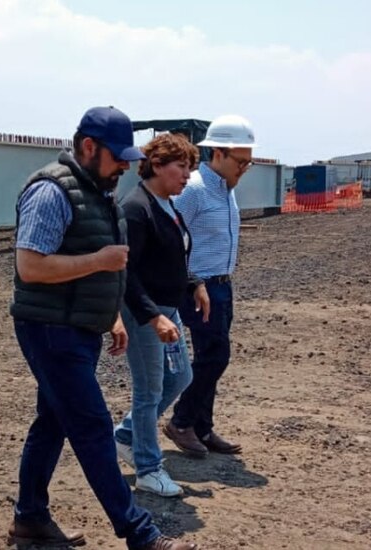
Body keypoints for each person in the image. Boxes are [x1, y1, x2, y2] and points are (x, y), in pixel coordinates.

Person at [8, 106, 197, 550]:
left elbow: (95, 264)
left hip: (76, 328)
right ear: (89, 147)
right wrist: (100, 262)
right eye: (119, 158)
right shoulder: (51, 190)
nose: (127, 167)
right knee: (93, 426)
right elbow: (30, 265)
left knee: (52, 424)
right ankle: (142, 536)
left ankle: (30, 519)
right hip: (50, 328)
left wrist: (111, 313)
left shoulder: (97, 190)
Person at [113, 133, 210, 497]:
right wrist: (152, 316)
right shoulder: (136, 208)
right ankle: (148, 470)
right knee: (149, 390)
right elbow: (127, 272)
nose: (187, 175)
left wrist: (194, 283)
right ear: (156, 165)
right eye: (180, 166)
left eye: (190, 167)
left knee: (180, 378)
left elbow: (172, 259)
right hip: (144, 314)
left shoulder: (168, 204)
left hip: (168, 311)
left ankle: (125, 436)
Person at [165, 114, 257, 458]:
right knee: (216, 356)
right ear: (217, 153)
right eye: (241, 162)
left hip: (222, 285)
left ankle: (202, 427)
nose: (244, 169)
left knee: (210, 355)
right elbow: (170, 236)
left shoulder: (225, 190)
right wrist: (191, 281)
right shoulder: (194, 191)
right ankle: (182, 421)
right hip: (198, 287)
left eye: (248, 163)